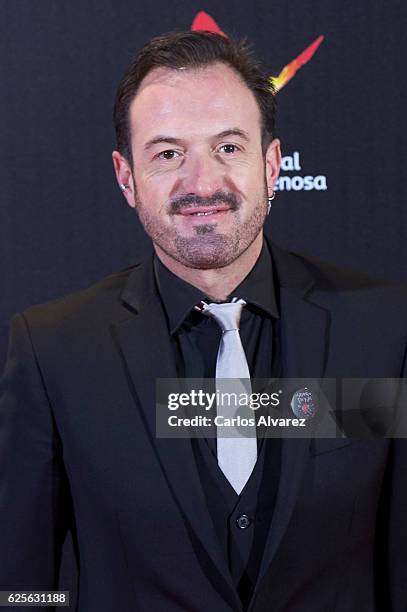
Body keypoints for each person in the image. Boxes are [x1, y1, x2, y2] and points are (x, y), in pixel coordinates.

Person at [0, 30, 406, 612]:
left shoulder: (384, 331)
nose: (202, 184)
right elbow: (20, 582)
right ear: (125, 177)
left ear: (272, 165)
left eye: (228, 147)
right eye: (168, 153)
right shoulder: (54, 351)